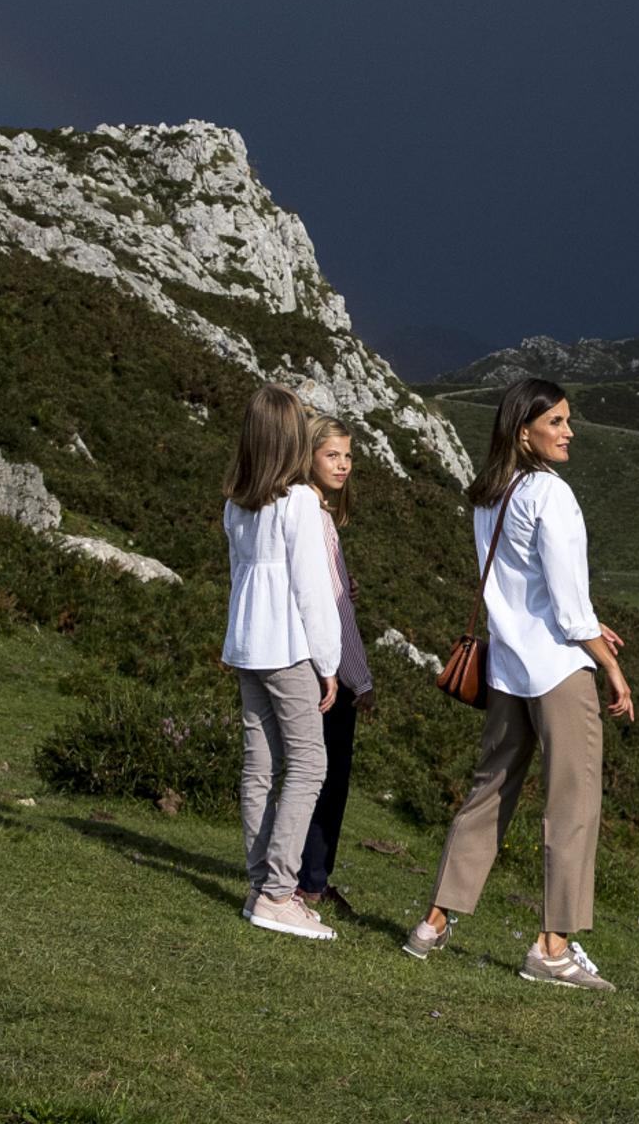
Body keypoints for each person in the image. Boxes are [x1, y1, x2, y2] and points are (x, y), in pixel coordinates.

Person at [403, 377, 634, 990]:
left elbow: (521, 585)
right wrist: (609, 664)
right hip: (558, 670)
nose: (568, 432)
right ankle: (552, 947)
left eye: (566, 421)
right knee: (573, 804)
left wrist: (584, 616)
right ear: (523, 429)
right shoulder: (550, 495)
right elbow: (564, 606)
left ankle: (432, 922)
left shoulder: (489, 494)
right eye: (555, 422)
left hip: (508, 668)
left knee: (489, 793)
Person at [221, 384, 341, 941]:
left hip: (246, 644)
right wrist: (330, 661)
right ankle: (277, 892)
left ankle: (258, 884)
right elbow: (312, 591)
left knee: (259, 765)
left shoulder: (236, 502)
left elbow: (240, 575)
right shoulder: (298, 503)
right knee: (309, 762)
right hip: (287, 647)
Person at [294, 414, 376, 916]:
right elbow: (336, 611)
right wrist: (360, 679)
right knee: (327, 778)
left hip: (305, 660)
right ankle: (311, 880)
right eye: (332, 456)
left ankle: (304, 875)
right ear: (309, 457)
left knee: (308, 772)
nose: (343, 465)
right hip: (329, 671)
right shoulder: (317, 519)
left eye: (348, 456)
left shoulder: (308, 513)